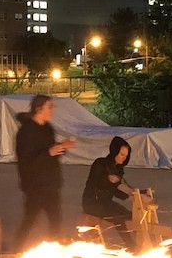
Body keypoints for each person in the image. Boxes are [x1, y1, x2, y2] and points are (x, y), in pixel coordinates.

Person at [14, 94, 75, 249]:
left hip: (51, 183)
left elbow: (52, 151)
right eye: (50, 107)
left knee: (56, 219)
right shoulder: (26, 132)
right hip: (35, 185)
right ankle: (16, 250)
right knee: (30, 219)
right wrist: (49, 153)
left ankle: (53, 249)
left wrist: (62, 147)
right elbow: (26, 161)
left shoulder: (47, 128)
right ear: (39, 108)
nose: (52, 110)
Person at [82, 135, 142, 241]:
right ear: (114, 152)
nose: (123, 158)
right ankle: (131, 247)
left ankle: (140, 242)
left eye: (126, 156)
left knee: (131, 216)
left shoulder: (118, 169)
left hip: (105, 202)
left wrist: (133, 194)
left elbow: (117, 189)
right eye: (121, 154)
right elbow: (96, 181)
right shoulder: (100, 163)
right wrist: (107, 179)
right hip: (92, 202)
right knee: (118, 218)